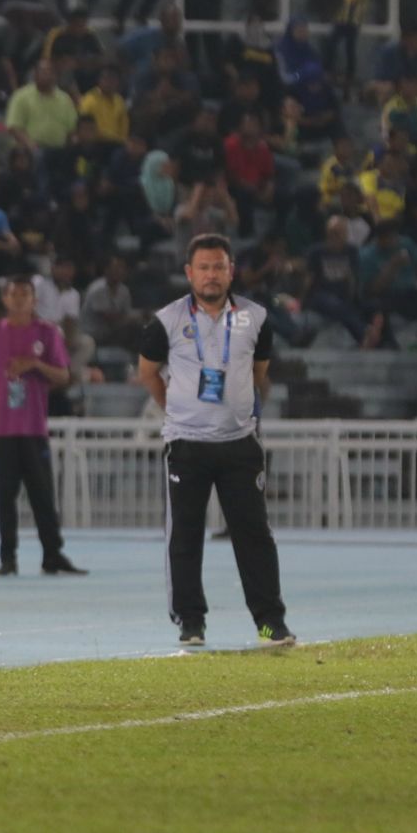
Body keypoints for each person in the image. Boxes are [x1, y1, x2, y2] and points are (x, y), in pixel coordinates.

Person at [136, 234, 293, 647]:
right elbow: (147, 372)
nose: (211, 275)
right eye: (203, 267)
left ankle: (270, 622)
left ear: (231, 271)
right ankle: (191, 621)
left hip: (240, 442)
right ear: (189, 273)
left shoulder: (256, 318)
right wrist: (176, 407)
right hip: (186, 445)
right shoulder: (166, 320)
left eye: (218, 267)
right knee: (184, 536)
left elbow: (259, 375)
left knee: (254, 534)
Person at [0, 276, 88, 578]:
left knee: (43, 494)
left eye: (25, 294)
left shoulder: (47, 332)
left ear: (34, 299)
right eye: (13, 294)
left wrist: (34, 364)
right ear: (5, 299)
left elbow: (62, 375)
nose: (19, 299)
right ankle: (8, 557)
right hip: (2, 429)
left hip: (33, 428)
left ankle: (52, 554)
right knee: (5, 496)